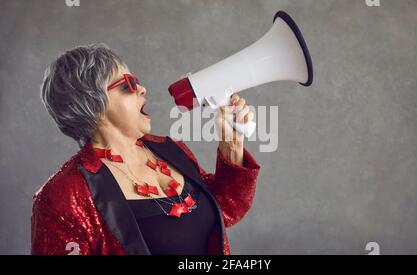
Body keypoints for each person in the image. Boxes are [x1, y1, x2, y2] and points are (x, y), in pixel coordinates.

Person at [31, 44, 260, 255]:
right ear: (93, 105)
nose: (142, 88)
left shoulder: (172, 151)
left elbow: (226, 209)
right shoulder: (62, 197)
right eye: (127, 85)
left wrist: (232, 142)